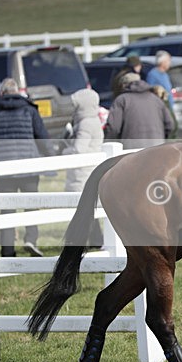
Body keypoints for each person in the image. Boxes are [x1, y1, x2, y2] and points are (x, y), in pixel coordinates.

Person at [0, 78, 54, 257]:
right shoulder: (29, 109)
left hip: (4, 168)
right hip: (29, 166)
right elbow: (42, 137)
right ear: (18, 92)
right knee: (31, 205)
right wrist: (51, 159)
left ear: (1, 93)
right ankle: (31, 240)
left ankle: (8, 250)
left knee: (7, 209)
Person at [63, 88, 104, 247]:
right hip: (87, 169)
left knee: (82, 207)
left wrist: (65, 151)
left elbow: (80, 149)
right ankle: (94, 240)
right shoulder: (91, 121)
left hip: (83, 172)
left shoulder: (86, 123)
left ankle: (86, 240)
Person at [105, 72, 175, 150]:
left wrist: (107, 143)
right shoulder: (156, 99)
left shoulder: (122, 100)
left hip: (131, 150)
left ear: (123, 85)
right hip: (157, 148)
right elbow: (170, 125)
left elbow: (113, 128)